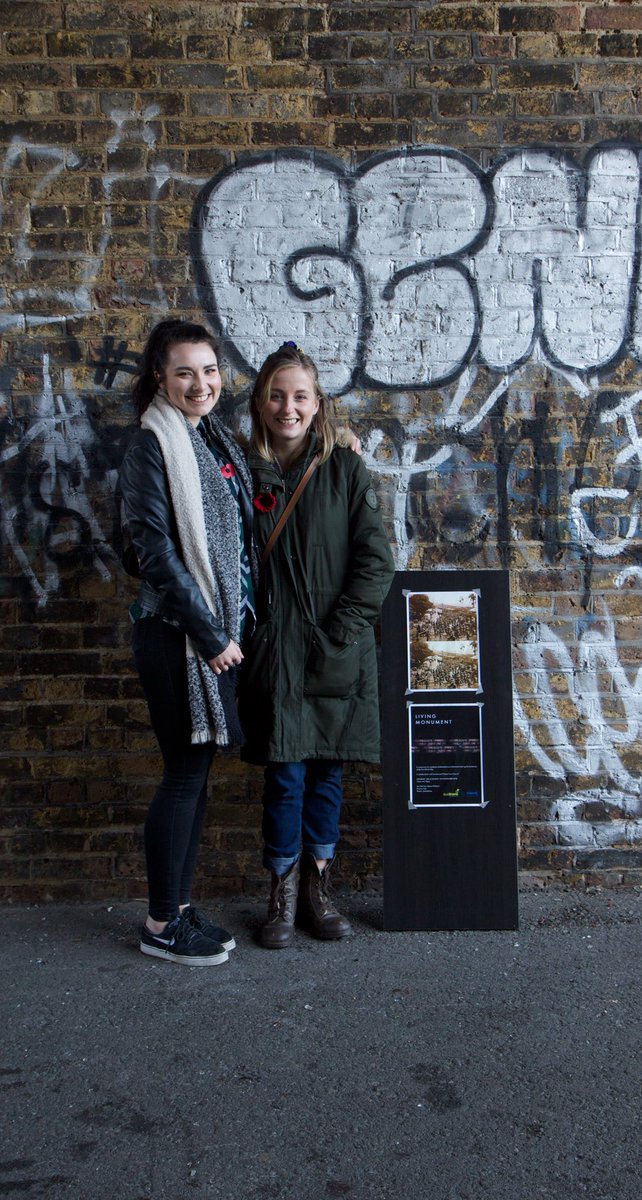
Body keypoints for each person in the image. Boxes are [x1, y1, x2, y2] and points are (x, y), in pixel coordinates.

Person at [240, 341, 395, 949]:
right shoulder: (239, 471)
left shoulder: (344, 469)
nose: (289, 408)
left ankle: (317, 889)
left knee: (327, 772)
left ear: (317, 404)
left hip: (335, 647)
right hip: (274, 651)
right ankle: (280, 894)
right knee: (285, 776)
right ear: (260, 402)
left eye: (300, 396)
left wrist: (342, 632)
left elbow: (375, 562)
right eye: (277, 396)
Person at [119, 318, 256, 966]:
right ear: (160, 377)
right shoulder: (152, 445)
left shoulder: (207, 437)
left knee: (195, 777)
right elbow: (151, 552)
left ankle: (176, 905)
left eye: (208, 370)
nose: (200, 383)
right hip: (178, 637)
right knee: (182, 775)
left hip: (208, 635)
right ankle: (159, 922)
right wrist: (210, 634)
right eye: (184, 372)